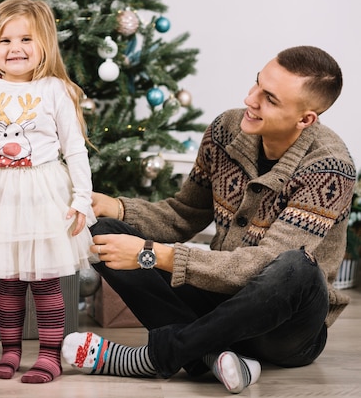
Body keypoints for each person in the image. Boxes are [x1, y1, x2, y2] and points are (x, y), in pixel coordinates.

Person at [61, 45, 356, 394]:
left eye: (270, 99)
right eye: (256, 84)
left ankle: (157, 357)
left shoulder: (329, 167)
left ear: (306, 119)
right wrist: (116, 207)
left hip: (284, 331)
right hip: (217, 300)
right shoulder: (226, 130)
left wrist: (151, 253)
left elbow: (261, 264)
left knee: (296, 267)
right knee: (104, 230)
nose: (250, 99)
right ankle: (214, 357)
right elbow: (184, 215)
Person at [0, 0, 96, 384]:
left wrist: (81, 200)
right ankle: (11, 352)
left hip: (45, 195)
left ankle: (51, 354)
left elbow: (74, 149)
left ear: (44, 45)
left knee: (46, 282)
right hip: (0, 198)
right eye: (4, 41)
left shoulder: (55, 90)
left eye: (25, 39)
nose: (15, 49)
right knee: (9, 283)